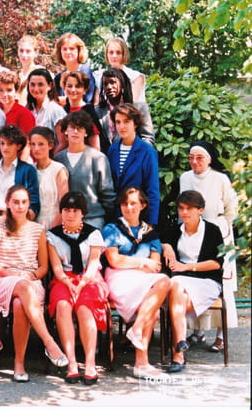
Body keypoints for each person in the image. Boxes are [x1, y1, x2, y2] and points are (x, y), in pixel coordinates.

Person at [0, 186, 68, 382]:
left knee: (19, 304)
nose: (20, 206)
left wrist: (30, 276)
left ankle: (19, 364)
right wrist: (10, 273)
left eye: (24, 202)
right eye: (15, 202)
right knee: (21, 287)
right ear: (8, 203)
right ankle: (49, 343)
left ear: (29, 204)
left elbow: (43, 267)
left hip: (31, 282)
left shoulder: (38, 230)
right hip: (3, 280)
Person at [102, 187, 170, 380]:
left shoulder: (150, 232)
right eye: (125, 203)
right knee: (152, 308)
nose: (129, 207)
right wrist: (141, 262)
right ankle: (141, 363)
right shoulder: (112, 229)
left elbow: (155, 266)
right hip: (118, 278)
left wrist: (141, 265)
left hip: (142, 278)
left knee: (164, 281)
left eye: (133, 203)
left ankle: (137, 331)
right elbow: (114, 260)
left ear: (143, 205)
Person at [179, 141, 238, 352]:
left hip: (218, 234)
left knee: (223, 284)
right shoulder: (184, 178)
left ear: (209, 159)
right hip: (194, 233)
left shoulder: (221, 179)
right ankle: (198, 331)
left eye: (199, 157)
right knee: (195, 280)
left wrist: (222, 229)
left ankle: (221, 336)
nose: (194, 161)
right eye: (191, 157)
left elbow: (232, 208)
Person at [47, 191, 109, 385]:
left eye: (75, 210)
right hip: (64, 279)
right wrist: (68, 283)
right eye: (66, 210)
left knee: (84, 308)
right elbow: (57, 268)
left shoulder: (94, 234)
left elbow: (93, 264)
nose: (70, 214)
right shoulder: (52, 235)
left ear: (83, 213)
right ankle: (72, 362)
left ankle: (90, 363)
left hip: (89, 279)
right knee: (63, 305)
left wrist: (81, 284)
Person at [162, 190, 224, 373]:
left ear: (200, 210)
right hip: (181, 285)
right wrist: (166, 246)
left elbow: (216, 263)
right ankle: (179, 350)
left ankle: (178, 351)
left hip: (207, 281)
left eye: (189, 208)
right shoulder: (175, 230)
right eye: (181, 208)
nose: (184, 212)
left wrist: (186, 267)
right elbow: (158, 239)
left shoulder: (212, 231)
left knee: (175, 286)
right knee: (176, 288)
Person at [53, 111, 115, 229]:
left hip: (92, 219)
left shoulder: (98, 158)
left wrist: (104, 218)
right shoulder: (58, 159)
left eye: (80, 128)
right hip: (65, 220)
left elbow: (108, 194)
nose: (75, 132)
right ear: (65, 131)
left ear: (86, 132)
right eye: (72, 127)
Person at [106, 104, 159, 225]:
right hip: (116, 217)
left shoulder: (147, 152)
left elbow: (152, 191)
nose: (121, 126)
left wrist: (151, 224)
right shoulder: (112, 150)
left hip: (139, 217)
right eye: (118, 122)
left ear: (135, 123)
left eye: (126, 121)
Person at [0, 125, 39, 219]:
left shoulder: (28, 170)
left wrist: (22, 221)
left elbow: (34, 203)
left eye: (10, 144)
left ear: (18, 146)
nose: (5, 147)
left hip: (16, 220)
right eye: (2, 143)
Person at [29, 127, 68, 230]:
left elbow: (64, 204)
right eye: (33, 144)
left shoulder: (58, 169)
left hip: (55, 222)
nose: (36, 148)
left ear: (50, 145)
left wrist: (53, 230)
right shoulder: (30, 169)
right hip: (33, 225)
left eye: (41, 144)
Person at [55, 70, 101, 153]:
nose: (73, 90)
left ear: (85, 90)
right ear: (64, 88)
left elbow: (96, 148)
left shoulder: (88, 112)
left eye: (78, 86)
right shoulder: (63, 111)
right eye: (69, 86)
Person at [53, 33, 97, 105]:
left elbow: (87, 99)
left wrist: (64, 100)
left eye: (71, 49)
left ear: (79, 51)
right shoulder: (58, 78)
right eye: (64, 49)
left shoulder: (85, 72)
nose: (68, 52)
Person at [0, 71, 35, 137]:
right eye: (1, 90)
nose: (5, 94)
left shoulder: (24, 114)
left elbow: (27, 140)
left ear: (16, 91)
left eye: (9, 90)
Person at [26, 68, 66, 133]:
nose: (36, 89)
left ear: (50, 85)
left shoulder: (55, 111)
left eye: (40, 84)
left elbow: (62, 139)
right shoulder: (28, 109)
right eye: (32, 84)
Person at [16, 35, 47, 103]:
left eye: (28, 51)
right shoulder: (17, 75)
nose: (24, 55)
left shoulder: (40, 72)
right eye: (21, 50)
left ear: (36, 52)